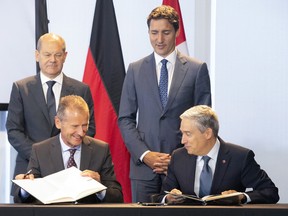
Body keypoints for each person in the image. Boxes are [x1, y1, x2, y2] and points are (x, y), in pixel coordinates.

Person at [118, 5, 211, 202]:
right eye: (154, 33)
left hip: (183, 167)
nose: (159, 39)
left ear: (176, 32)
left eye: (166, 32)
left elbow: (204, 121)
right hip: (144, 169)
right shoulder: (135, 70)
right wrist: (145, 154)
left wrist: (178, 158)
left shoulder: (196, 69)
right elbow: (125, 118)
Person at [6, 33, 95, 195]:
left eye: (58, 54)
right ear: (37, 55)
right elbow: (13, 131)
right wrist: (41, 156)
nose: (52, 59)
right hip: (30, 171)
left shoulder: (82, 89)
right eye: (47, 54)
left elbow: (90, 128)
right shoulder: (21, 88)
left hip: (71, 170)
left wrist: (62, 154)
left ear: (65, 56)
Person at [153, 105, 279, 204]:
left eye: (188, 134)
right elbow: (161, 196)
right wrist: (169, 198)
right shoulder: (178, 157)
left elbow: (270, 192)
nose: (182, 140)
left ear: (207, 133)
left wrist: (241, 197)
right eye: (182, 133)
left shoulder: (240, 157)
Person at [13, 95, 123, 204]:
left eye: (85, 125)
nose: (81, 132)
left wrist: (99, 188)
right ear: (58, 123)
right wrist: (25, 188)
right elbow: (22, 199)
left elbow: (117, 197)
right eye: (75, 126)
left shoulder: (100, 150)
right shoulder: (40, 151)